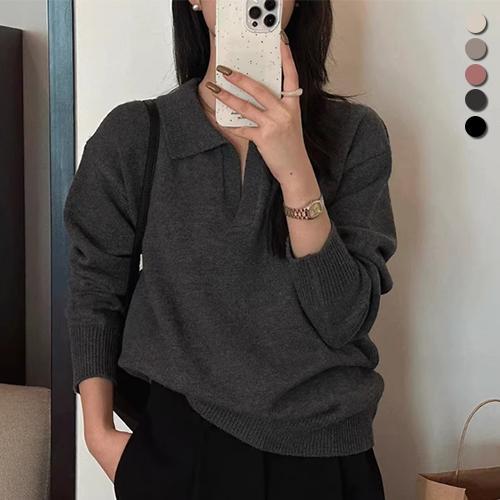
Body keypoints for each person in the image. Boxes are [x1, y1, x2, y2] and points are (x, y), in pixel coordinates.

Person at [63, 0, 397, 498]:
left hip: (326, 454)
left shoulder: (355, 135)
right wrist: (99, 435)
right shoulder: (136, 135)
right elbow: (94, 288)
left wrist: (295, 169)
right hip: (181, 448)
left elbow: (343, 319)